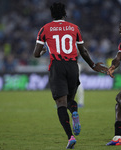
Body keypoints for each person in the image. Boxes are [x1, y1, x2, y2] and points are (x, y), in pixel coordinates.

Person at [33, 2, 107, 149]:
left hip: (57, 66)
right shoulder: (74, 28)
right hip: (73, 66)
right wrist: (93, 65)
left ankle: (70, 137)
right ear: (65, 14)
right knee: (70, 100)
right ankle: (74, 112)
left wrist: (42, 52)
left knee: (61, 103)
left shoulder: (45, 28)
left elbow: (36, 53)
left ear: (51, 15)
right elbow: (83, 51)